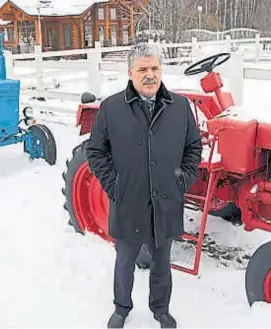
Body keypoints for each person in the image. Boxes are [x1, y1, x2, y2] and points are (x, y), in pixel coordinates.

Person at [85, 43, 203, 328]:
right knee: (125, 259)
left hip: (166, 200)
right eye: (142, 69)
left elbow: (193, 147)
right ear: (130, 73)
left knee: (162, 262)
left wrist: (181, 180)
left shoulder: (180, 106)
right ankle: (121, 308)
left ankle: (160, 309)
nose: (150, 75)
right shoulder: (112, 108)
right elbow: (96, 152)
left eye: (154, 68)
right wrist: (116, 187)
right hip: (129, 200)